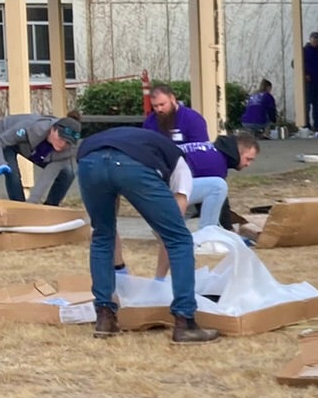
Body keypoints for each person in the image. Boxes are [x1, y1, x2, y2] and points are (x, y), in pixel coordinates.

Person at [75, 124, 217, 344]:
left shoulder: (143, 142)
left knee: (103, 235)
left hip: (88, 160)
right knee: (180, 239)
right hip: (131, 164)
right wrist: (164, 242)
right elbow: (175, 222)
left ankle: (105, 317)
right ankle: (185, 321)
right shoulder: (181, 165)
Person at [143, 83, 235, 230]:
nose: (159, 109)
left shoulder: (192, 119)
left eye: (162, 104)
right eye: (155, 106)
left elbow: (200, 152)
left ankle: (216, 227)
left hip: (190, 171)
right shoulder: (151, 122)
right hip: (163, 174)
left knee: (215, 184)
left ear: (172, 99)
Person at [0, 112, 80, 205]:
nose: (63, 144)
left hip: (32, 147)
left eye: (67, 142)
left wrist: (32, 203)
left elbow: (46, 177)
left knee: (68, 174)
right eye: (61, 138)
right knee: (12, 174)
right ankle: (18, 208)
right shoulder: (30, 127)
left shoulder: (68, 151)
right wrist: (0, 162)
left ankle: (50, 208)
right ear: (52, 129)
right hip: (3, 136)